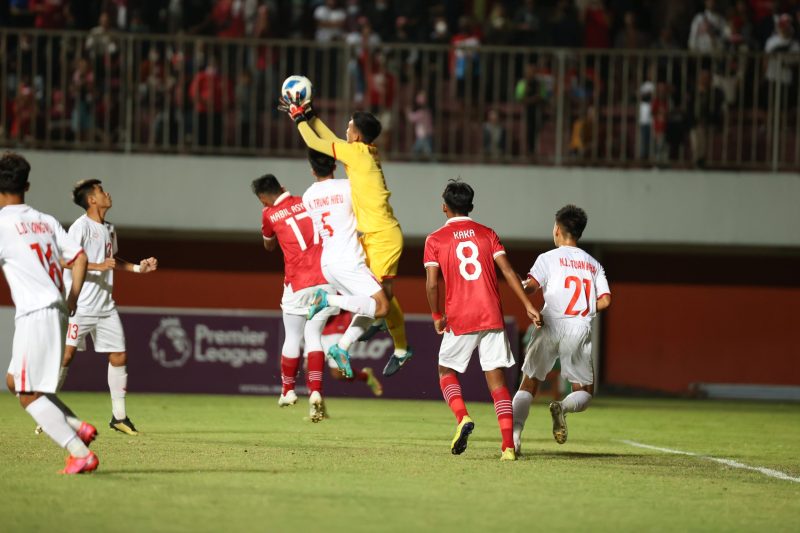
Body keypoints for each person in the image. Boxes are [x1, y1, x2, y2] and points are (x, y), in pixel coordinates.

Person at [281, 94, 412, 378]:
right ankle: (366, 340)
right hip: (375, 234)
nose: (345, 129)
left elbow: (317, 143)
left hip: (384, 235)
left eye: (349, 125)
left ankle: (399, 348)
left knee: (383, 301)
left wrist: (299, 119)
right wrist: (311, 115)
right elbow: (331, 141)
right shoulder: (363, 151)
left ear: (357, 133)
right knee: (379, 301)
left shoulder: (357, 153)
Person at [424, 180, 541, 461]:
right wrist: (528, 305)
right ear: (471, 207)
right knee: (498, 383)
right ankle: (508, 447)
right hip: (490, 314)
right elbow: (510, 272)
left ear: (444, 207)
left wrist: (437, 315)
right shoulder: (487, 234)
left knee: (445, 371)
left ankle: (462, 417)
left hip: (460, 316)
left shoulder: (435, 239)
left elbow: (431, 284)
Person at [0, 151, 98, 474]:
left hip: (34, 313)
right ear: (26, 185)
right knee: (15, 381)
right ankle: (76, 425)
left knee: (28, 395)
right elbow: (80, 257)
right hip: (56, 309)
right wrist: (71, 298)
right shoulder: (45, 220)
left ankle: (79, 451)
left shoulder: (2, 224)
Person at [59, 179, 158, 436]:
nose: (107, 193)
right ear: (92, 200)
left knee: (119, 356)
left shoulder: (110, 228)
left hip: (105, 306)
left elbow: (112, 260)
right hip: (80, 305)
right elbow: (65, 260)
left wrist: (139, 268)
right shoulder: (79, 228)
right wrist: (96, 265)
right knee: (65, 357)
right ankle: (46, 408)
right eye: (101, 191)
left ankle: (119, 417)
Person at [511, 205, 611, 455]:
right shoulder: (594, 264)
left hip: (550, 324)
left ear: (557, 229)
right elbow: (606, 300)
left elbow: (530, 287)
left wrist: (519, 285)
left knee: (528, 385)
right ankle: (562, 408)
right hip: (578, 328)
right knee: (585, 392)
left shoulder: (547, 258)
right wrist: (585, 309)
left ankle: (513, 438)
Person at [252, 173, 336, 422]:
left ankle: (288, 390)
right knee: (314, 336)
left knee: (293, 336)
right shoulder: (307, 201)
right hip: (326, 278)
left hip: (297, 282)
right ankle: (316, 392)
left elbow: (268, 246)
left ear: (263, 197)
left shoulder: (269, 214)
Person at [302, 149, 390, 379]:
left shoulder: (308, 196)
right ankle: (326, 299)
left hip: (328, 263)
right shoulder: (348, 186)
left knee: (369, 308)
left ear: (312, 169)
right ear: (334, 165)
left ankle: (342, 348)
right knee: (382, 307)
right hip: (348, 259)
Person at [318, 311, 383, 396]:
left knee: (338, 373)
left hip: (336, 326)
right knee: (308, 364)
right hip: (316, 328)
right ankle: (314, 397)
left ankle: (365, 376)